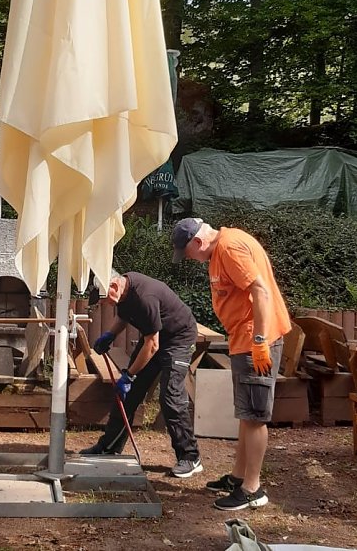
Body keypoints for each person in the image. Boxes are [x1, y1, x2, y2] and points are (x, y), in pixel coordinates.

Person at [172, 217, 291, 511]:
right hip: (244, 339)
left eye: (188, 253)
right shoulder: (222, 247)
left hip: (255, 341)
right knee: (246, 413)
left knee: (254, 416)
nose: (190, 259)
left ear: (198, 242)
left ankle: (253, 488)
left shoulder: (229, 248)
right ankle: (239, 477)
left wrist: (261, 341)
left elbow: (260, 291)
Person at [79, 272, 203, 479]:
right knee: (128, 395)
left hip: (178, 339)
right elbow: (124, 315)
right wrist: (111, 334)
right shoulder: (125, 292)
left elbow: (152, 345)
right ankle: (109, 447)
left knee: (170, 397)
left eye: (105, 299)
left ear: (114, 287)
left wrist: (129, 375)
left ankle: (190, 456)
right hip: (154, 338)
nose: (107, 304)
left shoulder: (145, 297)